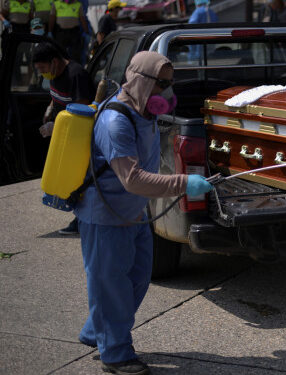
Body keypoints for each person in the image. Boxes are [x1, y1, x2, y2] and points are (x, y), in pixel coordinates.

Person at [73, 51, 213, 374]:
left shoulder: (144, 114)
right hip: (105, 217)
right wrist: (183, 184)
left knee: (137, 279)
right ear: (140, 81)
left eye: (170, 83)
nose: (167, 92)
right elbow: (132, 178)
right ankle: (116, 354)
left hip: (133, 214)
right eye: (162, 84)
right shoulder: (114, 122)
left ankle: (98, 331)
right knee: (111, 285)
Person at [33, 42, 95, 235]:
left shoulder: (76, 75)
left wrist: (56, 127)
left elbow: (82, 112)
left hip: (78, 137)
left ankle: (82, 220)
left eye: (43, 68)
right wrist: (50, 109)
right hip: (64, 135)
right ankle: (81, 217)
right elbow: (57, 97)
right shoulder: (55, 74)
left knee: (81, 180)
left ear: (54, 62)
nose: (42, 73)